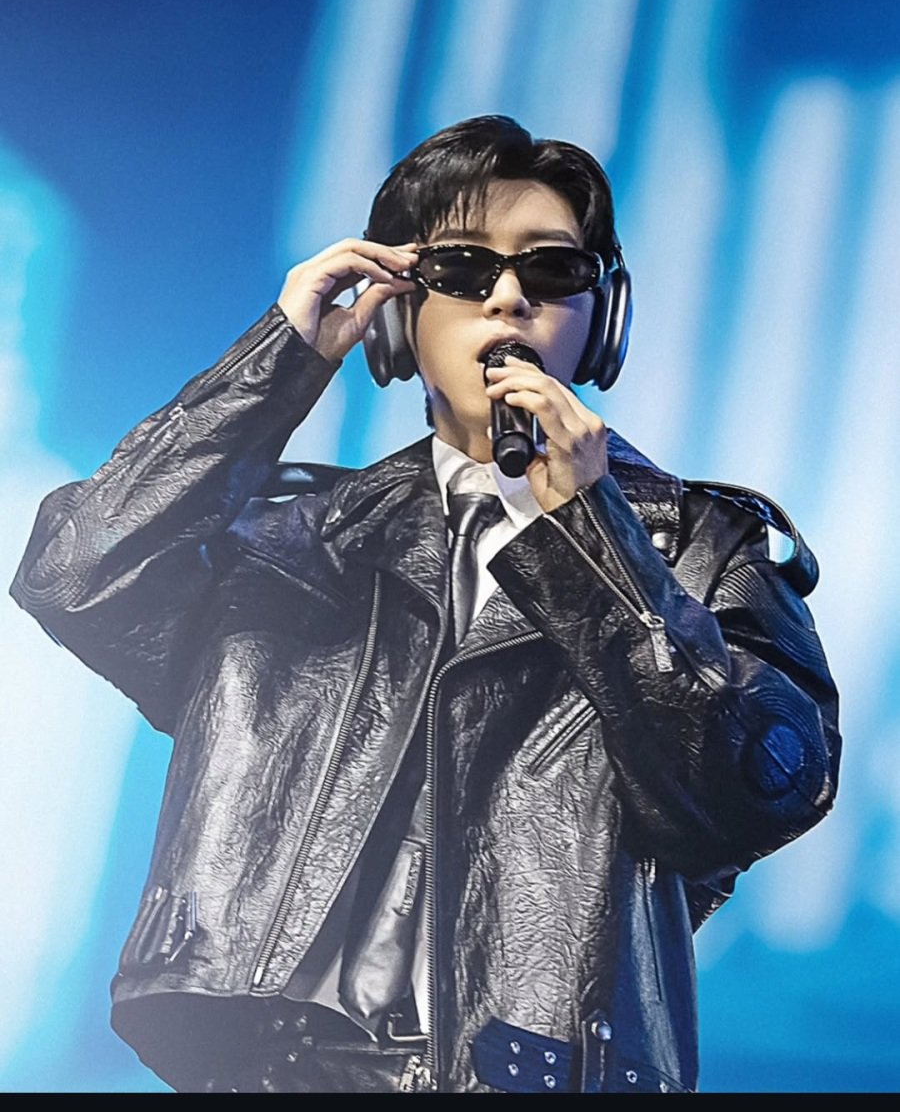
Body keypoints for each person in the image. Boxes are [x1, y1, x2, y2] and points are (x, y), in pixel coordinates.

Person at [10, 114, 840, 1094]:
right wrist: (276, 363)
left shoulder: (707, 548)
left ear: (603, 317)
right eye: (461, 267)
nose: (509, 296)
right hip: (269, 1070)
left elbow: (753, 790)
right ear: (397, 310)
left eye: (553, 270)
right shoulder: (294, 542)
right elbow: (78, 571)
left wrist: (594, 536)